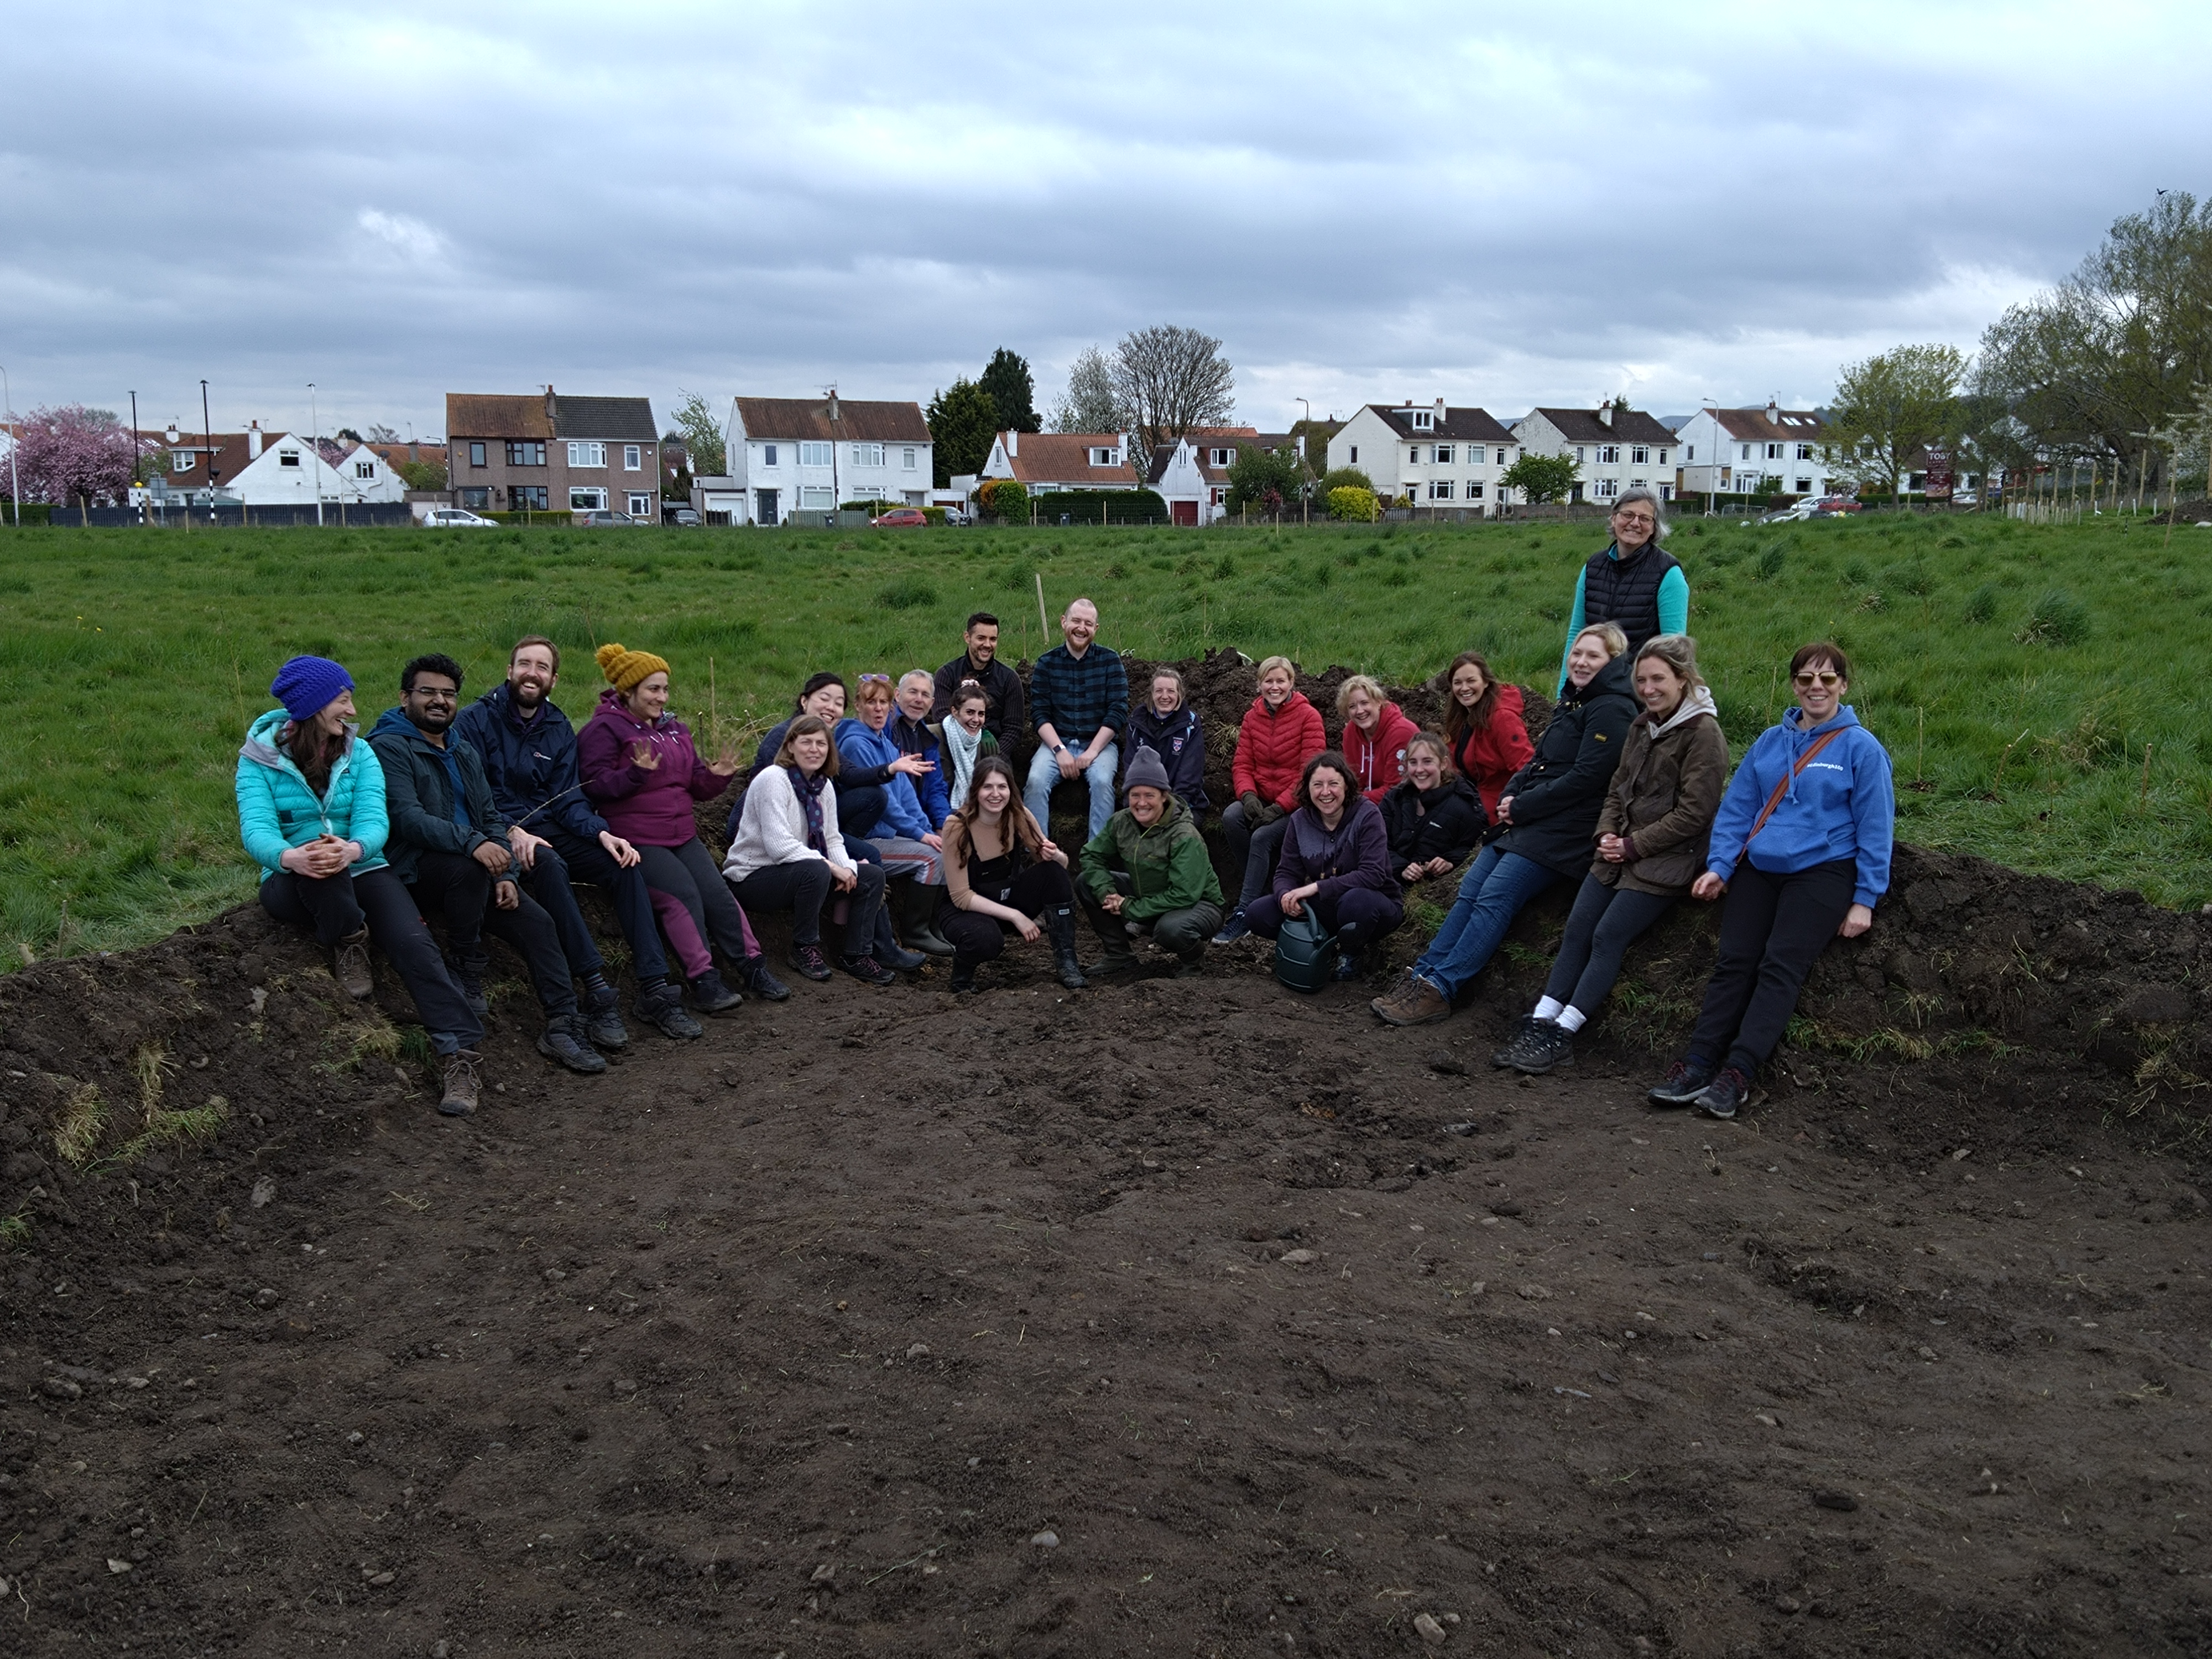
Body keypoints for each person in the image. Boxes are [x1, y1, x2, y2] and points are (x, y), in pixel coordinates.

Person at [1647, 641, 1893, 1120]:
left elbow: (1876, 825)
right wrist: (1720, 866)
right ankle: (1696, 1065)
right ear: (1794, 685)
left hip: (1824, 871)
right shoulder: (1768, 742)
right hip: (1761, 868)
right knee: (1733, 962)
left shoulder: (1862, 749)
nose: (1816, 687)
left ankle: (1737, 1073)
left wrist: (1865, 898)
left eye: (1827, 679)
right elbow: (1738, 809)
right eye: (1806, 679)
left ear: (1844, 686)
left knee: (1780, 966)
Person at [236, 655, 487, 1117]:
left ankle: (460, 1057)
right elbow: (256, 829)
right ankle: (348, 936)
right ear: (313, 706)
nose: (352, 712)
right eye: (343, 701)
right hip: (291, 879)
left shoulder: (361, 753)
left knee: (416, 943)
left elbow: (376, 819)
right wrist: (292, 856)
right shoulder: (258, 759)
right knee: (318, 860)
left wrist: (352, 849)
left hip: (364, 866)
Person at [1371, 622, 1636, 1026]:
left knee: (1495, 895)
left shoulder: (1612, 709)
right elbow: (1536, 759)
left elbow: (1588, 778)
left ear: (1613, 662)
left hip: (1567, 831)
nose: (1581, 662)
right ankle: (1423, 973)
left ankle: (1442, 987)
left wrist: (1524, 806)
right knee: (1471, 888)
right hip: (1535, 820)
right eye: (1577, 653)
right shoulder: (1574, 702)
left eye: (1593, 656)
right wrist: (1514, 794)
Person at [1493, 635, 1727, 1076]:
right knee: (1577, 929)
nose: (1649, 688)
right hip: (1616, 850)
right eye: (1642, 680)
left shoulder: (1704, 735)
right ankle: (1541, 1018)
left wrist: (1633, 845)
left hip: (1664, 859)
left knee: (1607, 937)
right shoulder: (1642, 725)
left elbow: (1696, 812)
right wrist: (1606, 835)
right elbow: (1617, 790)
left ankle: (1564, 1031)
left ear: (1684, 679)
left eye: (1659, 679)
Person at [455, 635, 703, 1045]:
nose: (532, 673)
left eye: (542, 667)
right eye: (525, 664)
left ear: (554, 678)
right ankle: (596, 989)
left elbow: (570, 798)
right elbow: (468, 794)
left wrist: (602, 833)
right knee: (551, 866)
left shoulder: (557, 726)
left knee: (623, 865)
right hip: (500, 830)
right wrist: (510, 831)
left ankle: (655, 989)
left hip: (551, 826)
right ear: (509, 670)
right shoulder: (474, 722)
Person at [369, 653, 608, 1075]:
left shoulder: (461, 750)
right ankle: (466, 962)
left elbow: (490, 815)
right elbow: (406, 818)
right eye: (429, 692)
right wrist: (476, 845)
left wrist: (509, 873)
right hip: (419, 869)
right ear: (405, 697)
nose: (440, 701)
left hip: (479, 868)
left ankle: (561, 1023)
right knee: (468, 869)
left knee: (539, 924)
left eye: (448, 694)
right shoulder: (388, 748)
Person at [578, 641, 787, 1015]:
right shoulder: (603, 730)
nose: (663, 697)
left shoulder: (676, 730)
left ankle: (753, 967)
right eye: (654, 689)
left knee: (718, 895)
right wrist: (635, 775)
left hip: (682, 834)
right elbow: (594, 786)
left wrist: (718, 778)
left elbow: (695, 787)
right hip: (637, 838)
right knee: (682, 896)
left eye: (665, 688)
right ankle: (705, 981)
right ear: (628, 691)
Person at [722, 714, 902, 985]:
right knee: (817, 868)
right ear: (791, 746)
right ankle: (804, 948)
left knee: (872, 875)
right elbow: (779, 846)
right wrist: (832, 868)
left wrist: (848, 869)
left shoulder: (823, 785)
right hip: (753, 876)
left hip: (800, 873)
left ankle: (857, 955)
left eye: (822, 744)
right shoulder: (773, 779)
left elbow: (832, 839)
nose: (815, 749)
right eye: (807, 742)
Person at [1245, 752, 1403, 980]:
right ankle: (1313, 948)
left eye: (1333, 784)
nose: (1326, 792)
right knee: (1257, 914)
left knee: (1355, 903)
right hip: (1327, 906)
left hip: (1375, 904)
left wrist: (1315, 888)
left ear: (1347, 786)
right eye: (1317, 785)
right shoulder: (1300, 820)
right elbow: (1287, 871)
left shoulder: (1368, 815)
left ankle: (1351, 955)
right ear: (1307, 789)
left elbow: (1373, 874)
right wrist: (1285, 896)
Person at [937, 755, 1087, 993]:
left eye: (1002, 787)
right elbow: (961, 897)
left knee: (1052, 874)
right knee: (986, 940)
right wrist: (1016, 916)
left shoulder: (1019, 815)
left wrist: (1056, 855)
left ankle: (1068, 962)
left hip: (1007, 896)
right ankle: (962, 978)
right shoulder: (956, 826)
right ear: (976, 790)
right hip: (966, 911)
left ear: (1010, 790)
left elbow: (1060, 868)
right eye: (987, 787)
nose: (995, 794)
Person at [1078, 745, 1224, 978]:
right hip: (1146, 894)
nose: (1141, 803)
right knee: (1086, 882)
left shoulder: (1184, 835)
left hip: (1199, 905)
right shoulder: (1122, 822)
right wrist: (1107, 893)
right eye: (1135, 795)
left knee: (1172, 929)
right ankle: (1119, 956)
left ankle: (1193, 964)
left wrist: (1128, 907)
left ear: (1164, 796)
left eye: (1149, 796)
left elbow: (1185, 894)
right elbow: (1092, 855)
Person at [836, 675, 955, 957]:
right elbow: (887, 804)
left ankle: (935, 925)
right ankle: (916, 930)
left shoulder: (886, 745)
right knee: (931, 857)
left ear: (892, 706)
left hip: (889, 833)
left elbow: (907, 798)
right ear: (858, 706)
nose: (879, 709)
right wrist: (920, 836)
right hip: (867, 837)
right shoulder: (856, 744)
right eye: (871, 702)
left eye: (884, 703)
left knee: (944, 848)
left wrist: (928, 830)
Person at [1213, 656, 1325, 944]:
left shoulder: (1309, 717)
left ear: (1291, 683)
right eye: (1268, 681)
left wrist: (1280, 807)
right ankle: (1264, 890)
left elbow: (1310, 774)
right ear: (1260, 684)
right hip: (1261, 798)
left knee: (1262, 837)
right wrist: (1248, 796)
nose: (1274, 687)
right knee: (1231, 817)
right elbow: (1242, 765)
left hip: (1298, 806)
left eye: (1280, 681)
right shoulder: (1253, 718)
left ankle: (1245, 913)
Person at [1557, 489, 1687, 693]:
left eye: (1645, 518)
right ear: (1614, 518)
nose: (1635, 523)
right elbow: (1576, 633)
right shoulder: (1592, 567)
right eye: (1628, 515)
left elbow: (1674, 648)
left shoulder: (1669, 573)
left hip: (1638, 692)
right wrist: (1563, 691)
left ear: (1654, 528)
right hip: (1590, 683)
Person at [1022, 597, 1128, 839]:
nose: (1082, 628)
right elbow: (1039, 713)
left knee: (1102, 783)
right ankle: (1040, 853)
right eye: (1076, 621)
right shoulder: (1047, 664)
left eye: (1088, 624)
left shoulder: (1111, 662)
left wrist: (1092, 752)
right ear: (1063, 622)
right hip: (1056, 743)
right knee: (1036, 781)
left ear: (1096, 629)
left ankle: (1096, 858)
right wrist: (1060, 750)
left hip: (1100, 745)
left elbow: (1118, 711)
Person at [739, 673, 886, 842]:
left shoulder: (824, 740)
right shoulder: (782, 735)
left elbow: (849, 774)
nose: (831, 707)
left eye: (838, 704)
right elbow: (777, 796)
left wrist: (890, 770)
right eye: (824, 699)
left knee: (875, 796)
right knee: (869, 857)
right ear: (804, 701)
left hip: (813, 820)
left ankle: (840, 846)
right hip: (769, 829)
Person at [1380, 732, 1487, 885]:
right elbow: (1378, 843)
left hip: (1434, 894)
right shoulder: (1394, 800)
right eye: (1413, 763)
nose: (1419, 770)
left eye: (1427, 762)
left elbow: (1475, 846)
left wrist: (1450, 862)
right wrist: (1401, 868)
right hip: (1392, 885)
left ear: (1443, 764)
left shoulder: (1463, 805)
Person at [1441, 650, 1533, 821]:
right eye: (1458, 683)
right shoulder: (1459, 718)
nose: (1464, 688)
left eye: (1471, 681)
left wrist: (1520, 806)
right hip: (1470, 796)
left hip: (1497, 804)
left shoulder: (1503, 720)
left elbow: (1526, 767)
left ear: (1485, 682)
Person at [1123, 666, 1208, 820]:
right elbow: (1130, 768)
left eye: (1171, 691)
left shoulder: (1191, 724)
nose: (1165, 696)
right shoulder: (1136, 722)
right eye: (1159, 691)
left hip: (1182, 805)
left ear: (1180, 694)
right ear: (1152, 694)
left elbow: (1190, 775)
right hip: (1143, 805)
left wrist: (1168, 810)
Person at [931, 611, 1025, 748]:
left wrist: (996, 756)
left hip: (994, 753)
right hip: (954, 749)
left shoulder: (1010, 679)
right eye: (981, 638)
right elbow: (942, 718)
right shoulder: (946, 674)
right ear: (967, 637)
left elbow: (1014, 728)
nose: (987, 645)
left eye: (993, 639)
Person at [1338, 675, 1420, 801]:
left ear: (1379, 702)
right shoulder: (1350, 732)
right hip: (1366, 802)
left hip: (1403, 805)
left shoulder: (1402, 733)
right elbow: (1353, 781)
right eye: (1352, 706)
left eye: (1365, 703)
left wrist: (1349, 800)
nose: (1360, 711)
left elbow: (1396, 790)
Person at [891, 670, 954, 830]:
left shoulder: (928, 740)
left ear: (932, 703)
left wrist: (943, 826)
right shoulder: (886, 728)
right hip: (893, 825)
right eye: (913, 692)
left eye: (925, 695)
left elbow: (935, 788)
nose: (919, 699)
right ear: (897, 695)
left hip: (921, 821)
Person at [935, 680, 1000, 811]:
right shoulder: (934, 736)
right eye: (970, 712)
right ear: (954, 712)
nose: (976, 720)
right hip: (934, 814)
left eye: (981, 714)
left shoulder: (985, 745)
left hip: (972, 812)